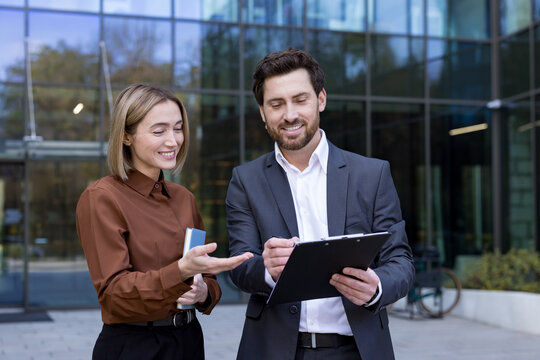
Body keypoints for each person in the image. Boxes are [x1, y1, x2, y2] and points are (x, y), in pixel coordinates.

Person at [226, 49, 415, 360]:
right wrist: (267, 269)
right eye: (276, 104)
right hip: (274, 350)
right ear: (262, 112)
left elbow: (401, 261)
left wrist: (376, 287)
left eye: (300, 100)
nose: (289, 115)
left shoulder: (372, 174)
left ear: (321, 99)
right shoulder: (245, 180)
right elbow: (240, 265)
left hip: (357, 350)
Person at [76, 83, 252, 360]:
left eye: (178, 128)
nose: (173, 140)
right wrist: (180, 270)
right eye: (159, 131)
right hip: (136, 346)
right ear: (126, 137)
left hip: (189, 341)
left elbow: (204, 278)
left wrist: (203, 291)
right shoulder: (102, 197)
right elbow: (113, 294)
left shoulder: (184, 198)